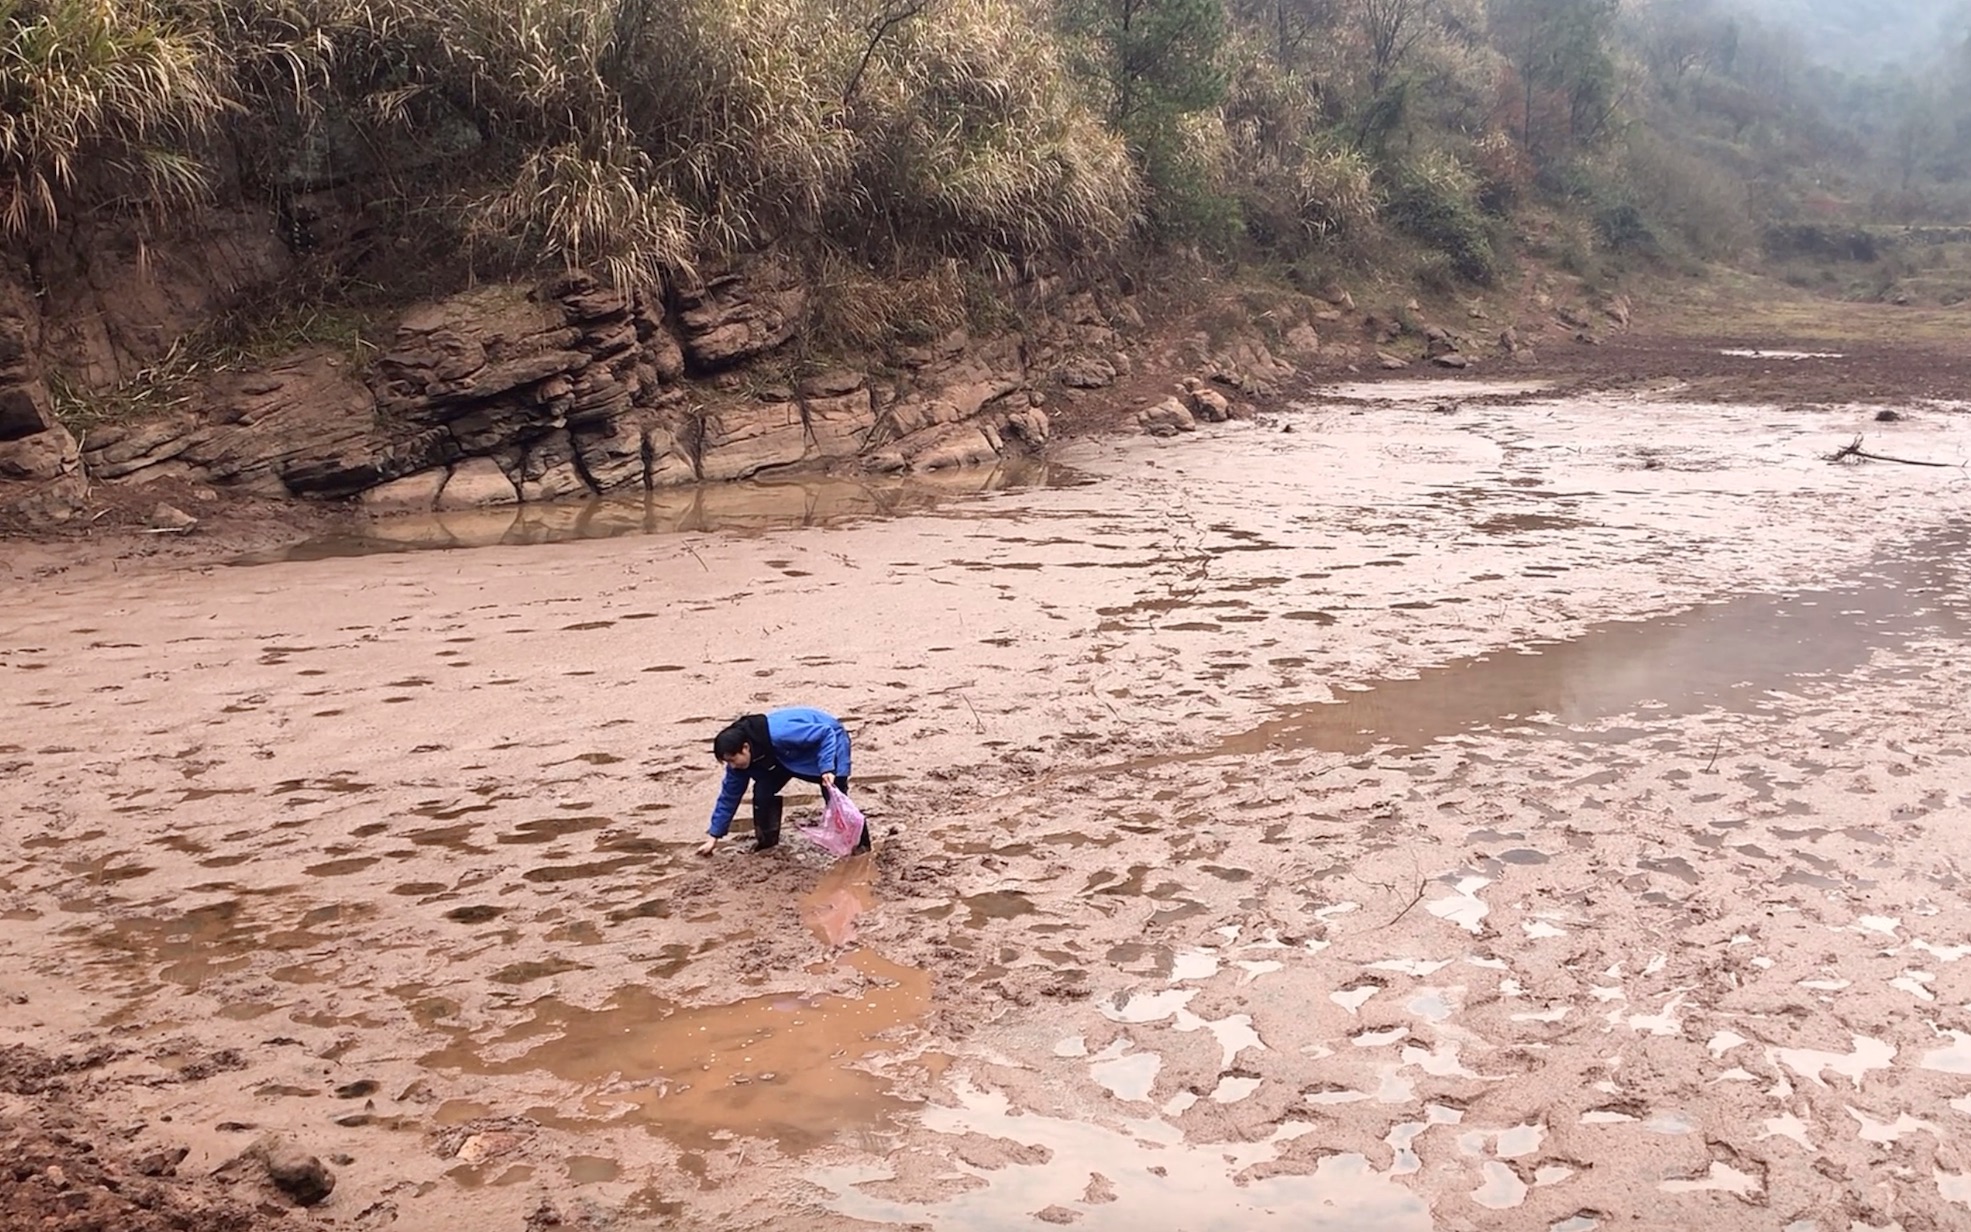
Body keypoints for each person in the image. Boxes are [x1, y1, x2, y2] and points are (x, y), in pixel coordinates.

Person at [698, 707, 868, 856]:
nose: (732, 766)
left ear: (745, 748)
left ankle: (861, 847)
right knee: (762, 793)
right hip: (780, 760)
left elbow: (825, 733)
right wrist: (714, 836)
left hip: (826, 744)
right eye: (728, 762)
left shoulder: (779, 733)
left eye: (733, 760)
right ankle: (767, 843)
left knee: (835, 798)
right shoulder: (737, 763)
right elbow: (729, 797)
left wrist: (827, 768)